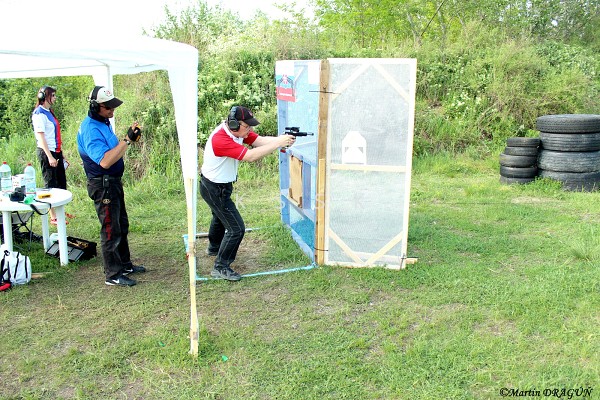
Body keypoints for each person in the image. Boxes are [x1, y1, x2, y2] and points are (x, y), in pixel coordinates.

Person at [200, 106, 296, 281]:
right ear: (234, 124)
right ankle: (221, 266)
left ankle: (214, 248)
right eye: (247, 126)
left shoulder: (237, 132)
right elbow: (250, 156)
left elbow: (259, 141)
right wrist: (278, 143)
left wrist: (282, 139)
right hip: (214, 188)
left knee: (219, 217)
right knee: (236, 229)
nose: (249, 129)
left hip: (218, 186)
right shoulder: (221, 139)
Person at [77, 86, 146, 287]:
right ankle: (113, 274)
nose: (112, 110)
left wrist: (128, 140)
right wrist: (127, 140)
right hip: (103, 184)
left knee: (121, 225)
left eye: (113, 106)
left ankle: (124, 265)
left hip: (111, 182)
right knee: (110, 229)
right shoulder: (91, 130)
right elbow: (105, 161)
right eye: (108, 107)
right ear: (95, 106)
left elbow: (114, 150)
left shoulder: (102, 122)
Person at [31, 85, 70, 224]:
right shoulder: (39, 114)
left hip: (55, 151)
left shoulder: (49, 112)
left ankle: (60, 211)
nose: (55, 98)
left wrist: (61, 155)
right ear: (44, 97)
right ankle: (53, 215)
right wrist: (50, 156)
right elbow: (41, 138)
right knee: (51, 184)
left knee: (60, 183)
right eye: (52, 95)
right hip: (47, 152)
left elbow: (54, 135)